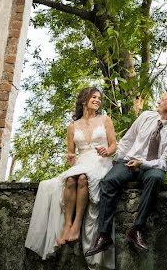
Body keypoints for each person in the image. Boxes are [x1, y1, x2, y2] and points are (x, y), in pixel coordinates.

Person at [85, 88, 167, 255]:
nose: (159, 101)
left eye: (163, 99)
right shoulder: (146, 116)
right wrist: (117, 162)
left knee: (156, 178)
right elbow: (128, 140)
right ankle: (104, 236)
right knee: (108, 181)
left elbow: (163, 163)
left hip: (151, 167)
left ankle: (137, 229)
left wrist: (142, 163)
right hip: (128, 162)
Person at [25, 86, 117, 268]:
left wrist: (107, 151)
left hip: (100, 162)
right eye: (94, 97)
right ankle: (67, 226)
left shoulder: (105, 119)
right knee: (70, 180)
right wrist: (70, 157)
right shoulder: (72, 126)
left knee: (83, 178)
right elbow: (71, 153)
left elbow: (114, 145)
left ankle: (76, 226)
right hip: (82, 161)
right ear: (84, 100)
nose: (97, 100)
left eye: (99, 98)